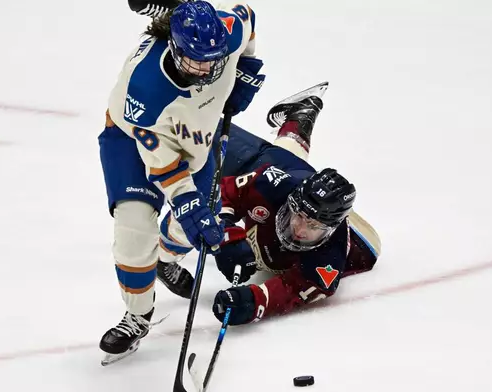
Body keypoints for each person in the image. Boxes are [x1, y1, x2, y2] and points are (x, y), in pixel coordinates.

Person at [97, 0, 264, 364]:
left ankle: (166, 258)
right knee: (134, 231)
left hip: (195, 139)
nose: (207, 69)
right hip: (131, 139)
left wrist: (247, 66)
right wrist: (187, 203)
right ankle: (138, 316)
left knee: (193, 228)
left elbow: (246, 20)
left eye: (214, 59)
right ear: (174, 47)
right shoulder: (144, 90)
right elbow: (165, 167)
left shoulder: (224, 33)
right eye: (196, 61)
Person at [157, 83, 382, 325]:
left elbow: (293, 291)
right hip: (271, 168)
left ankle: (301, 114)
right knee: (188, 133)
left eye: (313, 226)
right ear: (292, 201)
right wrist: (227, 235)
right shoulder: (273, 184)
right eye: (299, 216)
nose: (299, 230)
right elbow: (222, 195)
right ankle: (162, 259)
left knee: (287, 162)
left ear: (329, 230)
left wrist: (251, 302)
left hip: (349, 227)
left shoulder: (329, 259)